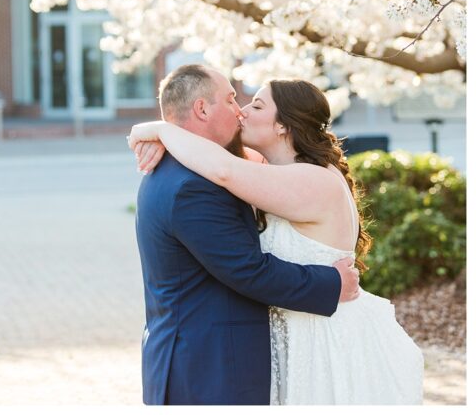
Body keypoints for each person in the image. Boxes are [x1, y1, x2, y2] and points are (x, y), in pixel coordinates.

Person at [130, 74, 424, 405]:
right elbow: (221, 164)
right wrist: (159, 131)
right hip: (286, 339)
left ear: (282, 125)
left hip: (322, 338)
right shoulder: (262, 171)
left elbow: (225, 169)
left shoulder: (311, 180)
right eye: (233, 100)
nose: (241, 110)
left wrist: (161, 131)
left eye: (255, 104)